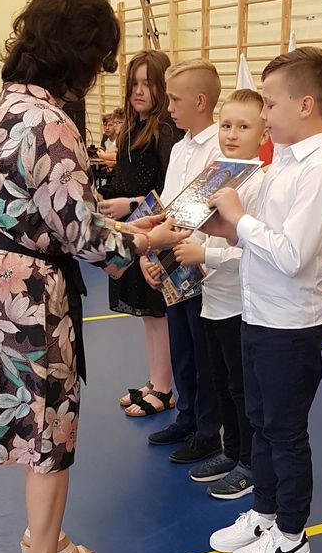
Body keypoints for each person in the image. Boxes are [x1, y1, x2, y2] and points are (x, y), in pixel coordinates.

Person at [0, 0, 189, 553]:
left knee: (34, 421)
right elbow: (83, 236)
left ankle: (44, 535)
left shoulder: (4, 104)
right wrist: (144, 240)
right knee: (50, 432)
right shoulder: (52, 122)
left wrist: (124, 226)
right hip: (29, 295)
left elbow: (42, 209)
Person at [206, 47, 322, 553]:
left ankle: (291, 534)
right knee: (260, 423)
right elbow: (255, 239)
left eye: (270, 104)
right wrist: (214, 222)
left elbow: (291, 256)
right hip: (258, 315)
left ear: (305, 104)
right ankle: (264, 513)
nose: (264, 115)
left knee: (286, 432)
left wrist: (238, 216)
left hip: (290, 326)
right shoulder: (281, 165)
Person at [172, 88, 268, 499]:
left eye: (244, 126)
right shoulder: (217, 174)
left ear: (264, 133)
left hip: (240, 305)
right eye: (226, 125)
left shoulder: (259, 183)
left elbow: (252, 250)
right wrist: (177, 249)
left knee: (243, 388)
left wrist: (204, 254)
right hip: (212, 300)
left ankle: (250, 462)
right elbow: (195, 225)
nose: (231, 133)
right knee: (222, 382)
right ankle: (231, 451)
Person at [144, 59, 223, 464]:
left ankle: (209, 430)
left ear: (200, 101)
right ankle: (187, 416)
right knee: (182, 348)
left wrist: (190, 250)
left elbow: (212, 213)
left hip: (203, 267)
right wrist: (153, 256)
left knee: (204, 352)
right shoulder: (179, 148)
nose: (169, 107)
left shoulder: (219, 148)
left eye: (175, 100)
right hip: (175, 263)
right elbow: (169, 209)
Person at [98, 51, 182, 417]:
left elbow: (171, 189)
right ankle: (155, 377)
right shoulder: (133, 129)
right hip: (133, 231)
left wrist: (130, 204)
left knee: (157, 311)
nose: (138, 91)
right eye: (134, 83)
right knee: (148, 315)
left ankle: (164, 387)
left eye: (147, 84)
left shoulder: (166, 132)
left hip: (153, 230)